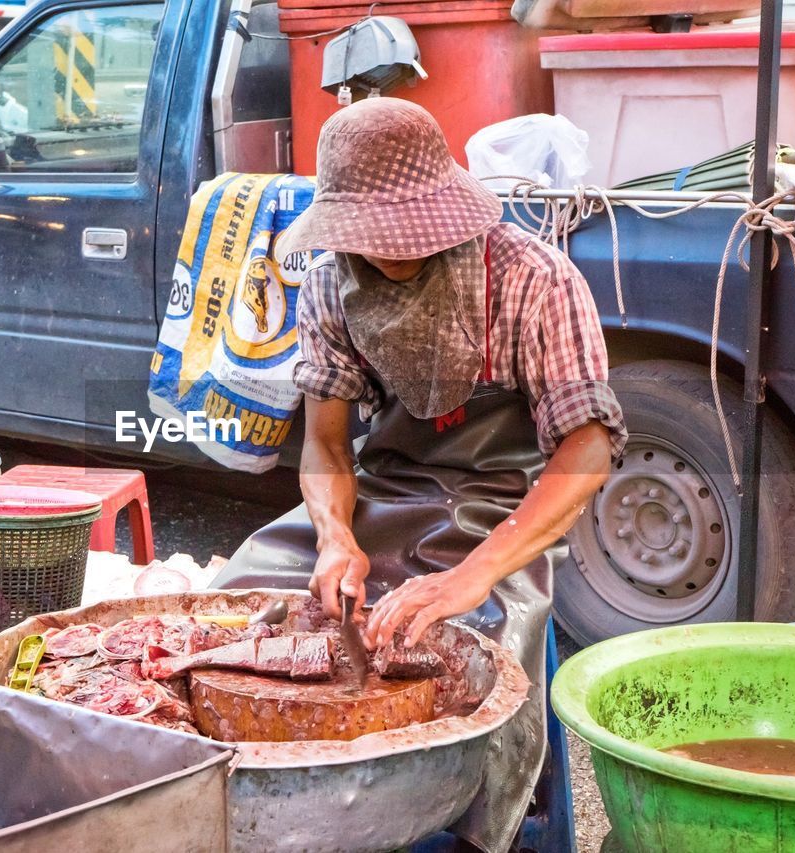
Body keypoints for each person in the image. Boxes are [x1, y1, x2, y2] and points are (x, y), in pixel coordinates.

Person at [213, 97, 627, 852]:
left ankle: (473, 829)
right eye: (371, 235)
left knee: (481, 650)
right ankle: (265, 809)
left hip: (507, 506)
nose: (391, 249)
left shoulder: (536, 278)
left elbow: (589, 452)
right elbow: (329, 449)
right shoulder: (329, 286)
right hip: (385, 490)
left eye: (408, 231)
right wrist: (336, 536)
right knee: (240, 604)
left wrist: (470, 576)